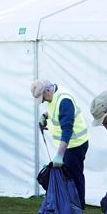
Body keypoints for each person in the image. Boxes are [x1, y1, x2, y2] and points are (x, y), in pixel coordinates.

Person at [30, 79, 89, 207]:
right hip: (70, 145)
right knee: (69, 177)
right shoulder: (54, 97)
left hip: (75, 145)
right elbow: (55, 111)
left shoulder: (64, 100)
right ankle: (71, 206)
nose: (44, 101)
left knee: (75, 177)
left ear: (47, 90)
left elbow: (67, 130)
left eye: (43, 98)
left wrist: (60, 155)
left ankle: (78, 208)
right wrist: (45, 116)